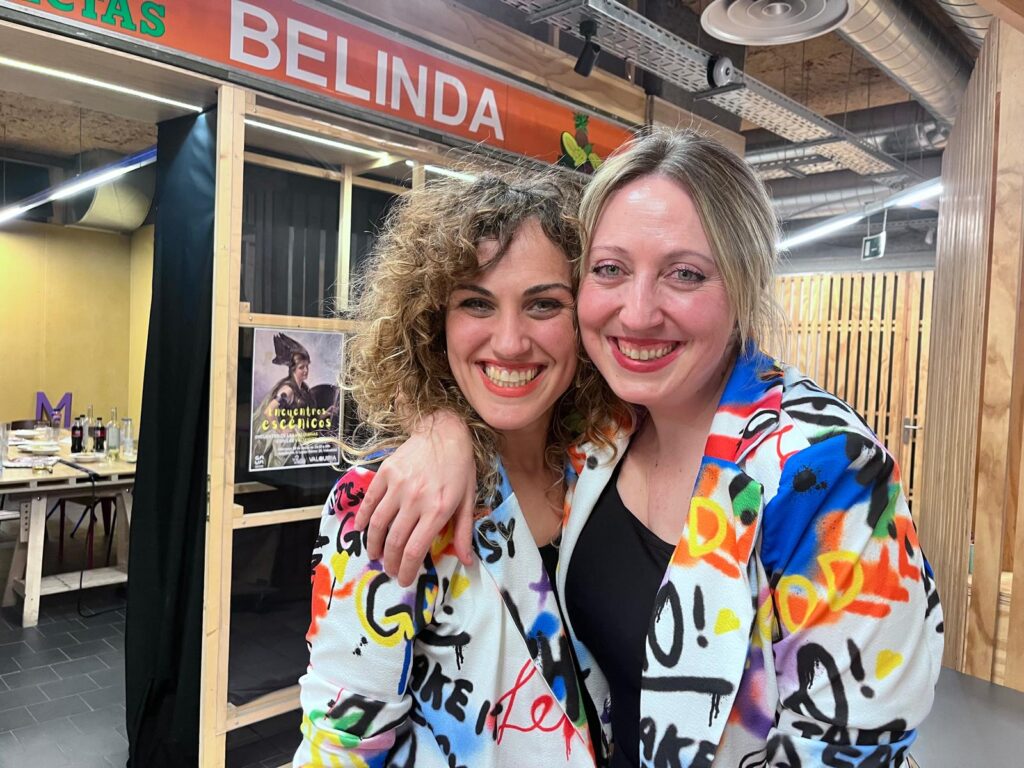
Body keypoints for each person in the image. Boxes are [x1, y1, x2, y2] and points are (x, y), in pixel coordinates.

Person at [353, 129, 944, 767]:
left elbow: (851, 748)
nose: (637, 314)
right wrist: (440, 428)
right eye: (610, 269)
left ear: (743, 285)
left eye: (684, 274)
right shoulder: (607, 425)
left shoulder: (825, 471)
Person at [294, 170, 605, 767]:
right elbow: (340, 745)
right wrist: (438, 423)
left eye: (544, 304)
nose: (510, 342)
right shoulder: (389, 498)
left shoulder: (603, 465)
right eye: (476, 303)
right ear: (431, 323)